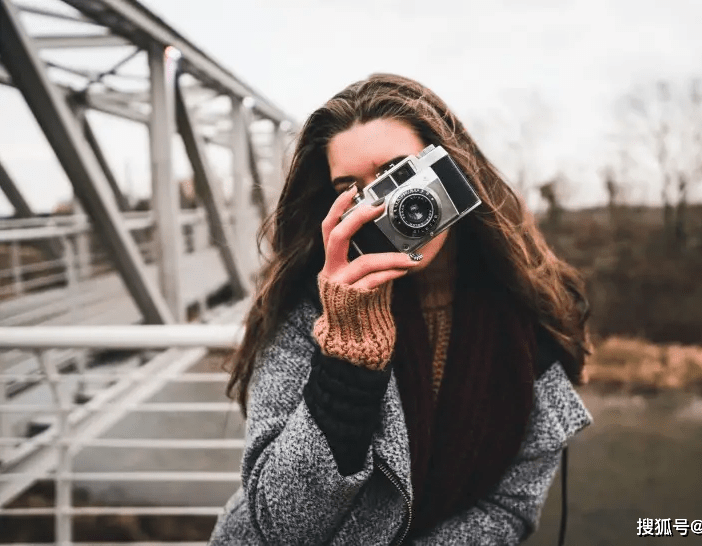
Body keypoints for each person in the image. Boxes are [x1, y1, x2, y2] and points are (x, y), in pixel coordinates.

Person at [208, 73, 593, 545]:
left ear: (451, 168)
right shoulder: (306, 304)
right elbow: (282, 527)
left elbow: (509, 507)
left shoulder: (527, 314)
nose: (385, 206)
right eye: (351, 189)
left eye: (399, 175)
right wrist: (346, 358)